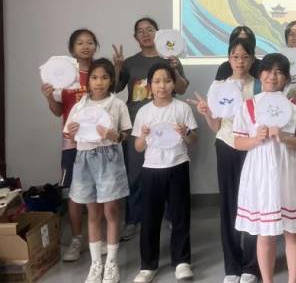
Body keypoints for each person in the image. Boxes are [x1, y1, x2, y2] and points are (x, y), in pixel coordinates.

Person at [233, 54, 296, 283]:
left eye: (279, 72)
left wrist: (284, 137)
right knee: (265, 234)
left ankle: (293, 281)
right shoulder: (247, 106)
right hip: (259, 173)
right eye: (268, 70)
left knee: (293, 231)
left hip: (289, 170)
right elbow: (238, 142)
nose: (272, 76)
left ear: (287, 77)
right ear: (260, 74)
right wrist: (256, 138)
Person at [113, 17, 189, 240]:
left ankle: (171, 216)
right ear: (135, 37)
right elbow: (115, 88)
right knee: (135, 174)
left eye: (150, 29)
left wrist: (175, 69)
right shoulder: (130, 62)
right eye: (140, 31)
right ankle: (133, 219)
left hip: (168, 125)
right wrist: (117, 68)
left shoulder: (170, 59)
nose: (145, 34)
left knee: (169, 172)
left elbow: (182, 89)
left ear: (158, 33)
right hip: (139, 126)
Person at [191, 38, 260, 283]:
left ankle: (251, 266)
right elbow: (215, 126)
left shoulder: (259, 85)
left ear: (252, 59)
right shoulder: (219, 86)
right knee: (229, 204)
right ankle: (232, 266)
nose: (240, 62)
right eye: (235, 57)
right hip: (227, 145)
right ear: (229, 59)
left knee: (252, 204)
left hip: (253, 148)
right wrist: (207, 113)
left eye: (245, 57)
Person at [64, 59, 131, 283]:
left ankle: (111, 262)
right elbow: (70, 135)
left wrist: (114, 135)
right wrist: (72, 132)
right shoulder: (79, 106)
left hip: (109, 158)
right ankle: (96, 264)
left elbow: (125, 134)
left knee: (111, 211)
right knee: (92, 213)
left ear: (111, 80)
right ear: (88, 80)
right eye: (94, 77)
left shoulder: (117, 104)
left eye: (104, 77)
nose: (99, 82)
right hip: (84, 160)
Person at [131, 63, 197, 283]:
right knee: (150, 218)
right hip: (152, 169)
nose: (162, 86)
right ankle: (148, 266)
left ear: (173, 84)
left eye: (167, 81)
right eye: (157, 81)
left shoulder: (182, 108)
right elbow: (138, 147)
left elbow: (193, 140)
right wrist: (143, 135)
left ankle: (182, 262)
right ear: (149, 85)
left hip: (178, 165)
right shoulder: (144, 111)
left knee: (180, 216)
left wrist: (186, 132)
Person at [41, 28, 98, 262]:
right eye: (80, 43)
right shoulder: (62, 75)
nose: (85, 46)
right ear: (72, 48)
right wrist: (48, 96)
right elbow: (58, 112)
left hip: (97, 141)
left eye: (90, 42)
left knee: (98, 192)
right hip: (71, 142)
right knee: (75, 192)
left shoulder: (100, 72)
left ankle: (97, 238)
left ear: (95, 46)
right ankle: (76, 239)